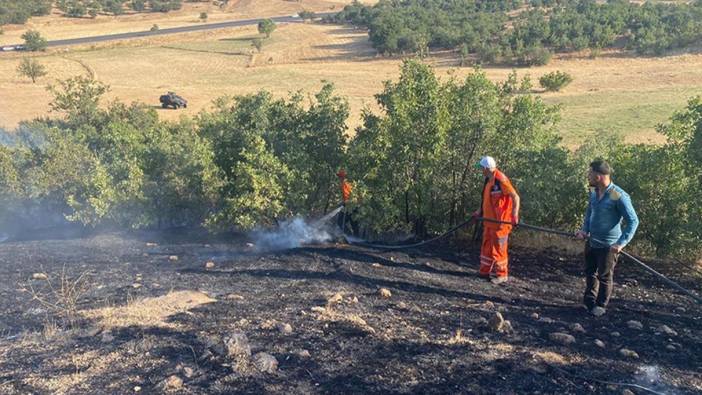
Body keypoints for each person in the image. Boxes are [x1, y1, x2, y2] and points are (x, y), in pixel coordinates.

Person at [575, 160, 639, 317]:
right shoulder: (594, 193)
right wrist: (584, 231)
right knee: (590, 273)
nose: (588, 176)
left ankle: (600, 305)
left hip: (609, 246)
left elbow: (633, 220)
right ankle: (589, 303)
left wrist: (621, 243)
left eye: (590, 174)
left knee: (604, 276)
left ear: (598, 176)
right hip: (592, 241)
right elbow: (590, 213)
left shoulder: (617, 195)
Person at [472, 156, 520, 284]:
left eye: (482, 168)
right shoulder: (488, 181)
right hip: (489, 222)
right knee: (487, 247)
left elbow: (515, 197)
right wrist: (479, 211)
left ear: (487, 168)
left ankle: (501, 275)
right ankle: (484, 272)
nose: (481, 171)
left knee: (499, 250)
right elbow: (485, 199)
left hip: (501, 224)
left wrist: (514, 215)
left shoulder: (501, 180)